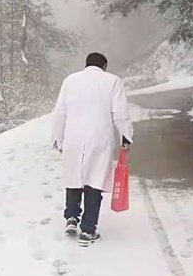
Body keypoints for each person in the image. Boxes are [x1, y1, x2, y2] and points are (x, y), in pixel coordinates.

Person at [52, 52, 133, 246]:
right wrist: (126, 136)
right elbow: (120, 113)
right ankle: (88, 230)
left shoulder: (70, 80)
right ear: (104, 66)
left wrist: (58, 139)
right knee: (94, 181)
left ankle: (72, 217)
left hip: (73, 138)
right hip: (99, 137)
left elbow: (60, 112)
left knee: (74, 177)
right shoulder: (113, 81)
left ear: (86, 65)